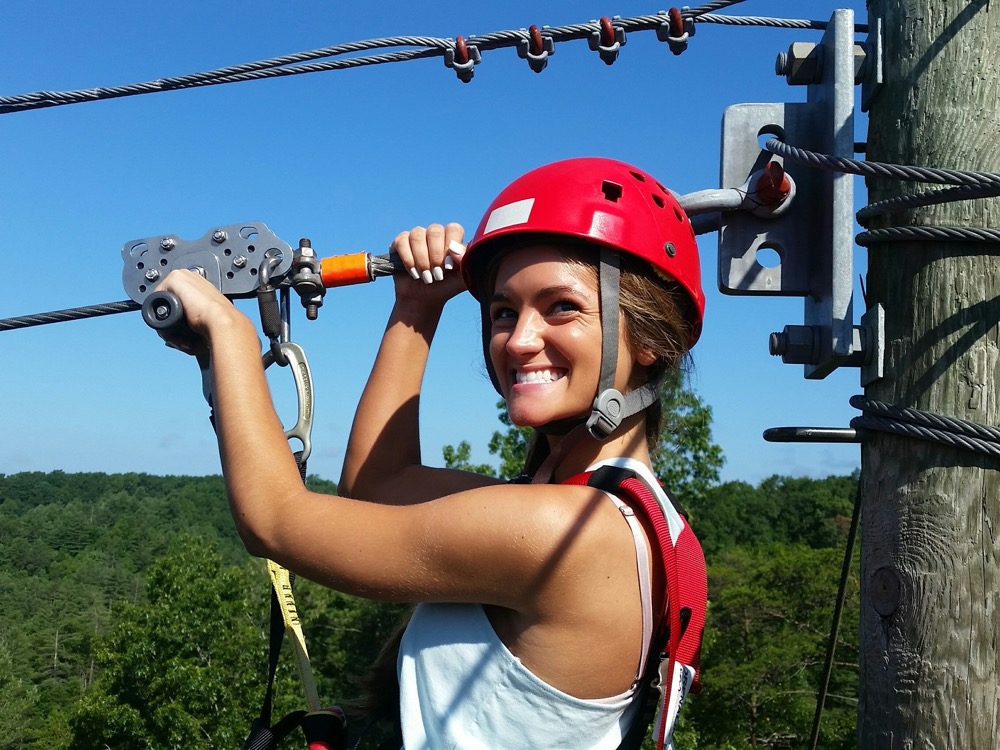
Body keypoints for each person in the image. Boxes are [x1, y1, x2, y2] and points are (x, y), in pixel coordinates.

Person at [156, 157, 706, 750]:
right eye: (502, 310)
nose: (519, 340)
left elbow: (276, 522)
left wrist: (227, 331)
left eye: (561, 306)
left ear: (652, 338)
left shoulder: (568, 532)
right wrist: (417, 308)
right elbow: (377, 489)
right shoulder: (613, 513)